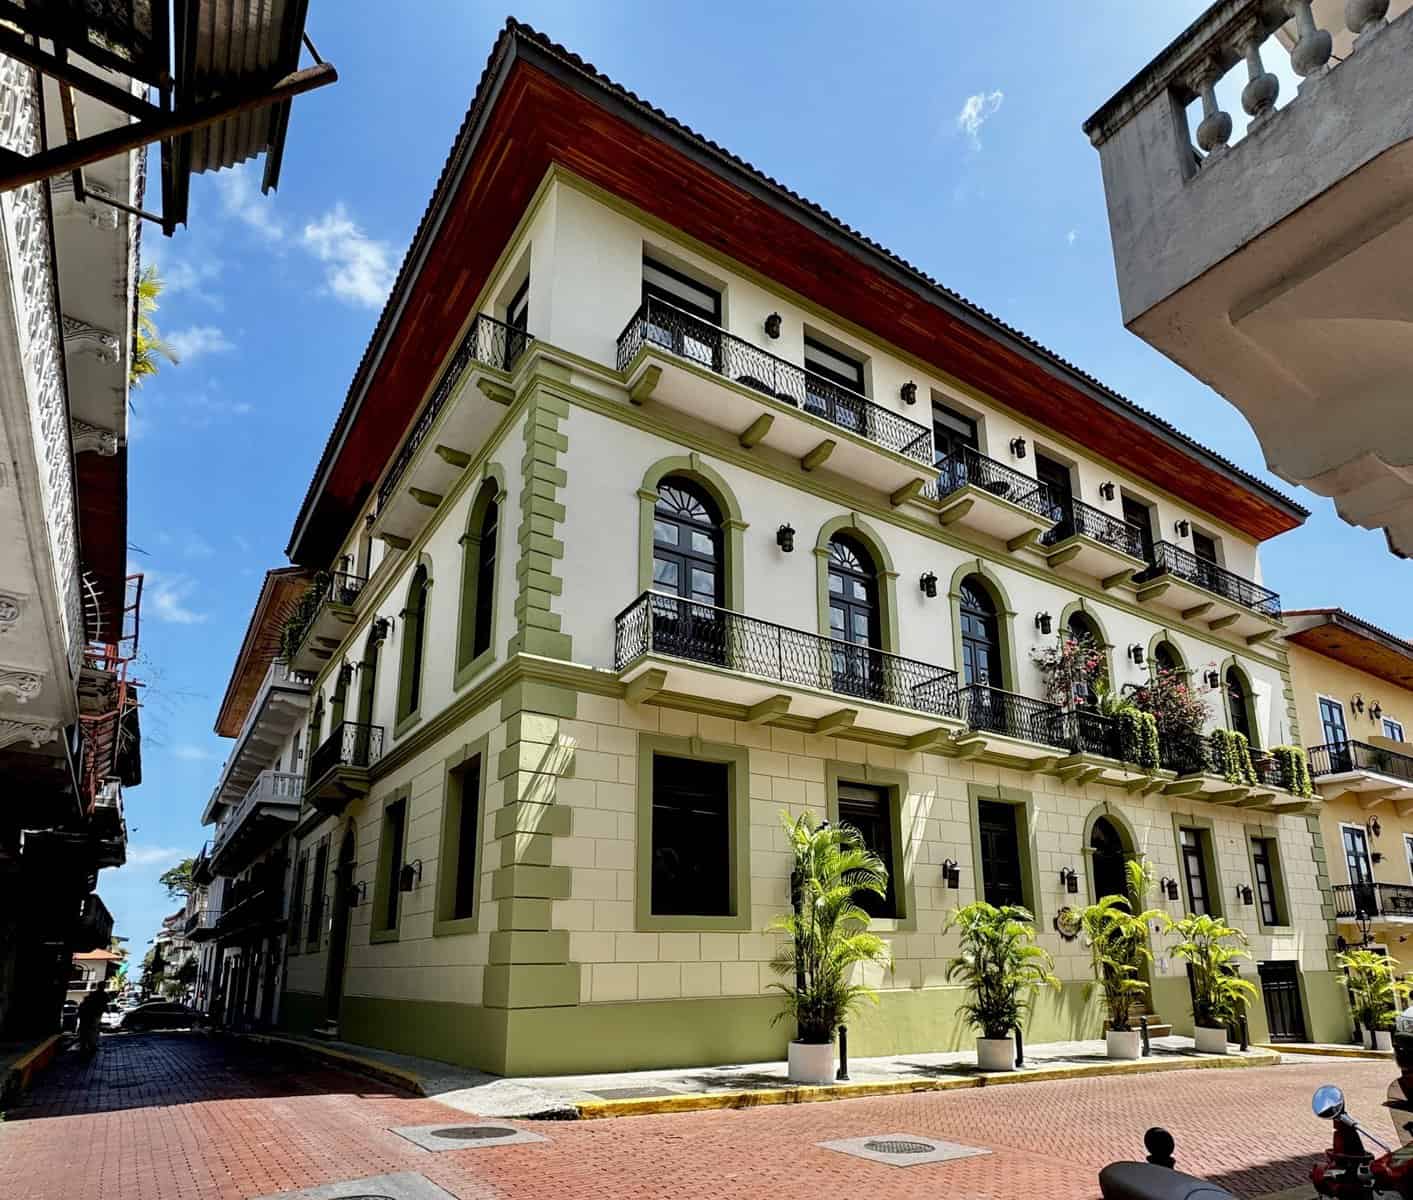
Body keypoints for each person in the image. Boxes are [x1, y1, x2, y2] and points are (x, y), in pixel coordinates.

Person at [76, 984, 108, 1056]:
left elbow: (80, 1012)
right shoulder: (101, 995)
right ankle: (90, 1046)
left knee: (85, 1032)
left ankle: (85, 1046)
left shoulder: (91, 997)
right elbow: (104, 1005)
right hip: (92, 1018)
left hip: (86, 1018)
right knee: (92, 1032)